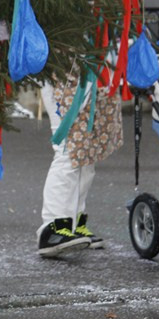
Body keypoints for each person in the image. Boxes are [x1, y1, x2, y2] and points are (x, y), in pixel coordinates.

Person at [37, 75, 122, 257]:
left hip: (89, 74)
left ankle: (73, 223)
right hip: (64, 73)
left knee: (86, 155)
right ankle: (53, 227)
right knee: (67, 151)